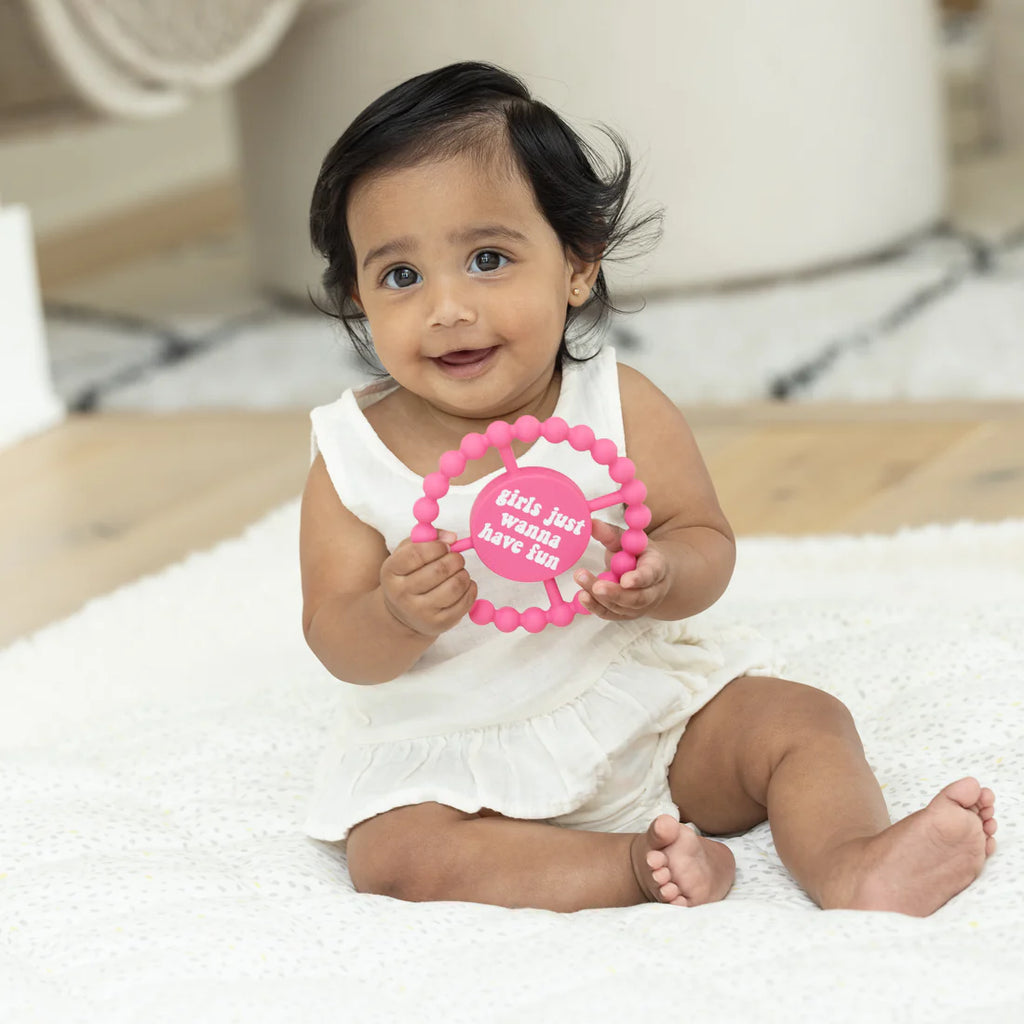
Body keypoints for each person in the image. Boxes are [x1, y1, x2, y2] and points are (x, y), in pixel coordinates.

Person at [299, 60, 997, 915]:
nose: (446, 307)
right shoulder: (352, 455)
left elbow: (706, 538)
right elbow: (336, 638)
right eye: (400, 276)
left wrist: (664, 573)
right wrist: (394, 614)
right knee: (393, 858)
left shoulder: (617, 407)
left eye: (487, 259)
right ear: (360, 301)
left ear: (577, 268)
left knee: (801, 720)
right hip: (459, 756)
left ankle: (855, 862)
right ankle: (634, 867)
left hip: (644, 717)